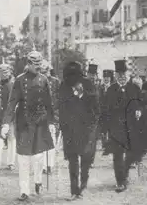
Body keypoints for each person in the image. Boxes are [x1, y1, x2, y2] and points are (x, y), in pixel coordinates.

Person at [1, 51, 55, 202]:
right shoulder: (19, 80)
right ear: (29, 64)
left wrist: (52, 123)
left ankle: (38, 180)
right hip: (24, 123)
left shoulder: (44, 80)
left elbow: (49, 103)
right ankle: (24, 190)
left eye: (40, 64)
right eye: (35, 64)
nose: (38, 67)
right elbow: (12, 103)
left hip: (40, 122)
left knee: (38, 157)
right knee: (23, 158)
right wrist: (6, 123)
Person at [58, 61, 99, 201]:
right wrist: (62, 126)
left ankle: (83, 182)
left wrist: (82, 94)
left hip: (86, 128)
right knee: (72, 159)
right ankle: (75, 190)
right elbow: (61, 105)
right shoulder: (64, 85)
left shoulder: (87, 84)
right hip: (70, 129)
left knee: (86, 158)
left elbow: (95, 104)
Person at [106, 59, 142, 193]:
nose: (121, 76)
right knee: (117, 156)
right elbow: (107, 109)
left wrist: (139, 110)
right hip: (116, 128)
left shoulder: (134, 88)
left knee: (130, 155)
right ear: (115, 75)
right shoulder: (111, 90)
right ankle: (120, 181)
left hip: (131, 127)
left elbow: (140, 103)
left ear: (127, 74)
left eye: (123, 73)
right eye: (118, 74)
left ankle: (125, 176)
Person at [0, 63, 16, 174]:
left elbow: (12, 104)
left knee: (11, 139)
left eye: (5, 71)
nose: (3, 74)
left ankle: (11, 162)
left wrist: (7, 121)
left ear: (10, 71)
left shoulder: (13, 85)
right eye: (1, 72)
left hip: (12, 116)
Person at [40, 60, 60, 175]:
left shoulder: (56, 82)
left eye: (47, 71)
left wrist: (57, 113)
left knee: (51, 139)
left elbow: (60, 98)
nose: (45, 73)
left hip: (53, 115)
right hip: (41, 114)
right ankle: (43, 165)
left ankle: (49, 165)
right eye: (43, 71)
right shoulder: (38, 81)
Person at [99, 69, 114, 156]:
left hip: (111, 112)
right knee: (103, 131)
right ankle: (104, 146)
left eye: (108, 77)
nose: (106, 79)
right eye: (105, 77)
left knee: (111, 130)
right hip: (102, 112)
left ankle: (109, 148)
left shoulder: (113, 87)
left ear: (110, 78)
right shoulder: (100, 87)